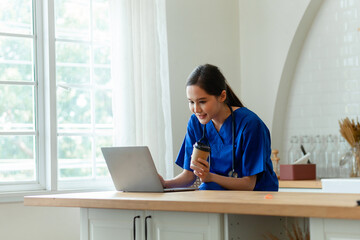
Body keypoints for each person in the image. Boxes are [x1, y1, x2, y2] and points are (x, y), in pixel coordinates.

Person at [159, 64, 278, 191]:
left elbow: (249, 184)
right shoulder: (195, 123)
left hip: (257, 198)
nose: (196, 109)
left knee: (207, 188)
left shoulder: (250, 125)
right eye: (191, 102)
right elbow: (189, 175)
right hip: (217, 192)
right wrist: (164, 183)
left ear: (222, 96)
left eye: (202, 101)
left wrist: (210, 177)